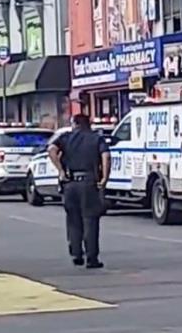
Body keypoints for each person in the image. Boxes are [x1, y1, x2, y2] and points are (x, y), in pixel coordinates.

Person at [48, 114, 111, 269]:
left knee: (73, 220)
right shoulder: (96, 138)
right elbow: (106, 157)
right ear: (88, 124)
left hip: (70, 184)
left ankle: (76, 254)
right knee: (90, 220)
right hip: (89, 183)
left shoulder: (66, 138)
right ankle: (91, 258)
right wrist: (104, 178)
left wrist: (61, 171)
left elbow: (51, 149)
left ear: (74, 124)